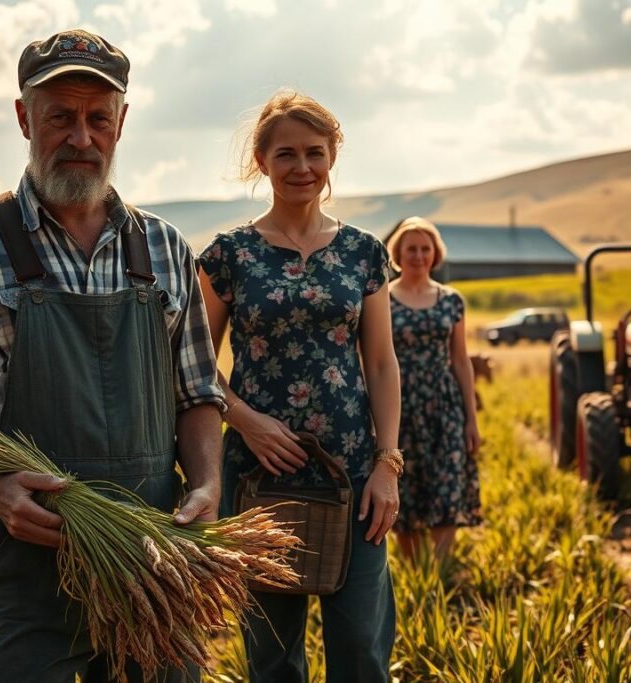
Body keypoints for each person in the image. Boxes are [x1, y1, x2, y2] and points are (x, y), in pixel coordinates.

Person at [0, 30, 225, 682]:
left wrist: (210, 482)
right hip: (25, 568)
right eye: (60, 117)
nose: (81, 137)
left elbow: (198, 395)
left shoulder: (164, 249)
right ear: (24, 117)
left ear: (121, 123)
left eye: (97, 118)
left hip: (147, 560)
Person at [197, 90, 401, 683]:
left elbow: (383, 363)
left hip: (353, 473)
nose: (302, 167)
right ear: (262, 161)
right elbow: (194, 363)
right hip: (260, 475)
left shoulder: (363, 253)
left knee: (361, 647)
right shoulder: (228, 254)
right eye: (286, 154)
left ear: (332, 157)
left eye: (315, 152)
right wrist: (244, 419)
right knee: (272, 655)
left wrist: (388, 463)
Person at [386, 217, 482, 559]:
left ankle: (440, 571)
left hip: (444, 405)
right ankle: (415, 575)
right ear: (398, 253)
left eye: (425, 248)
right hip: (399, 405)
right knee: (406, 485)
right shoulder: (381, 298)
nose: (418, 255)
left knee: (447, 481)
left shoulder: (452, 300)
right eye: (411, 248)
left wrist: (471, 419)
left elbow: (460, 361)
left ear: (435, 253)